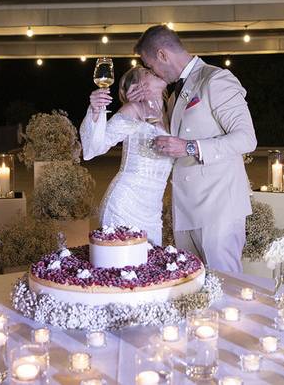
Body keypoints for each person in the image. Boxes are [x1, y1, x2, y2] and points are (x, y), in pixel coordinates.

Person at [133, 24, 257, 272]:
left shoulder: (216, 79)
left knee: (226, 283)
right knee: (194, 284)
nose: (153, 72)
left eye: (150, 66)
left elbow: (246, 139)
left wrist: (190, 147)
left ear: (162, 55)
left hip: (219, 206)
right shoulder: (174, 94)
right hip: (186, 207)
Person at [79, 67, 172, 245]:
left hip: (153, 212)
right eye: (148, 72)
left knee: (149, 270)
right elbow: (95, 148)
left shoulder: (170, 113)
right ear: (137, 86)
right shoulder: (133, 110)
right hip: (124, 207)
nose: (156, 71)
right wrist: (96, 108)